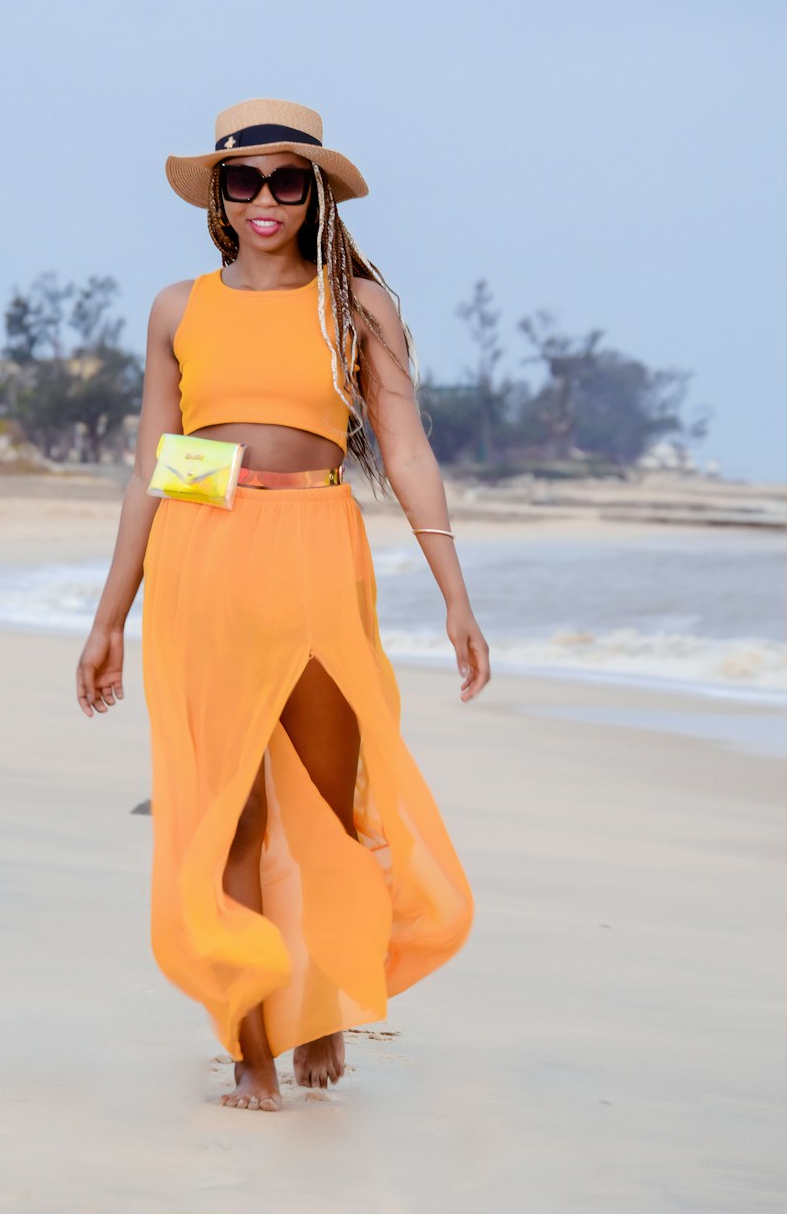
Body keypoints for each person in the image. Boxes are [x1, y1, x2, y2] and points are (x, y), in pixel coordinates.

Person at [76, 98, 490, 1113]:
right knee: (230, 811)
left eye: (287, 180)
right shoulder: (179, 307)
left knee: (328, 799)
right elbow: (155, 472)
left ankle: (324, 1002)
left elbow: (407, 451)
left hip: (317, 549)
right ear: (216, 197)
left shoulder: (353, 306)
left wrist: (455, 595)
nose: (265, 199)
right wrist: (107, 616)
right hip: (202, 556)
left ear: (317, 194)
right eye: (243, 180)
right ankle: (253, 1038)